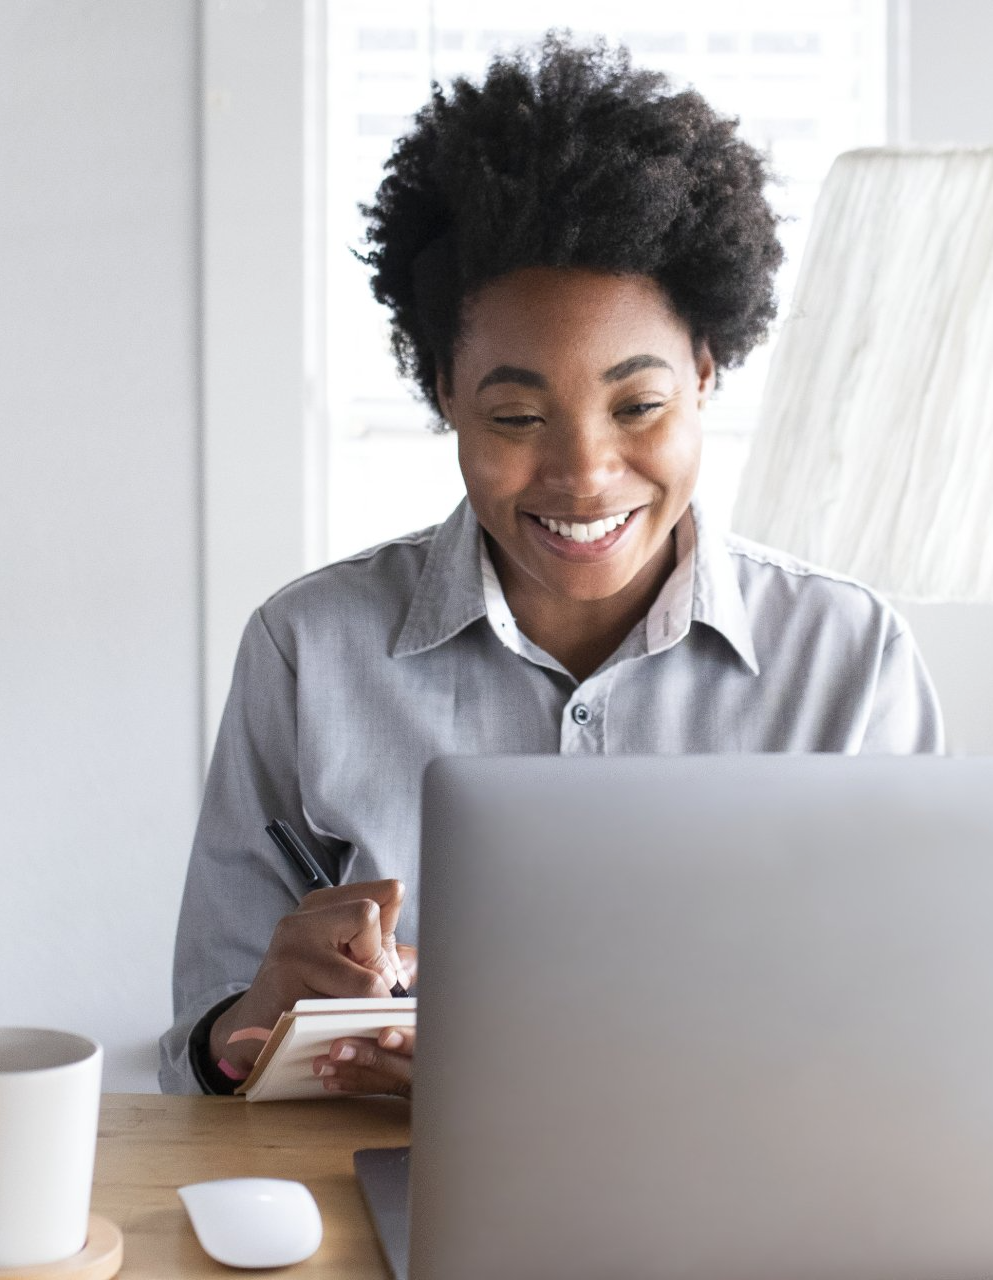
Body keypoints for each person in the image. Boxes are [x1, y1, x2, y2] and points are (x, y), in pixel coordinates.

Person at [160, 33, 944, 1097]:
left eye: (639, 404)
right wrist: (251, 1022)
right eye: (518, 413)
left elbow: (912, 1033)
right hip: (392, 1189)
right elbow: (196, 1059)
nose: (584, 472)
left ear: (708, 370)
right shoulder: (308, 652)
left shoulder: (848, 658)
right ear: (443, 390)